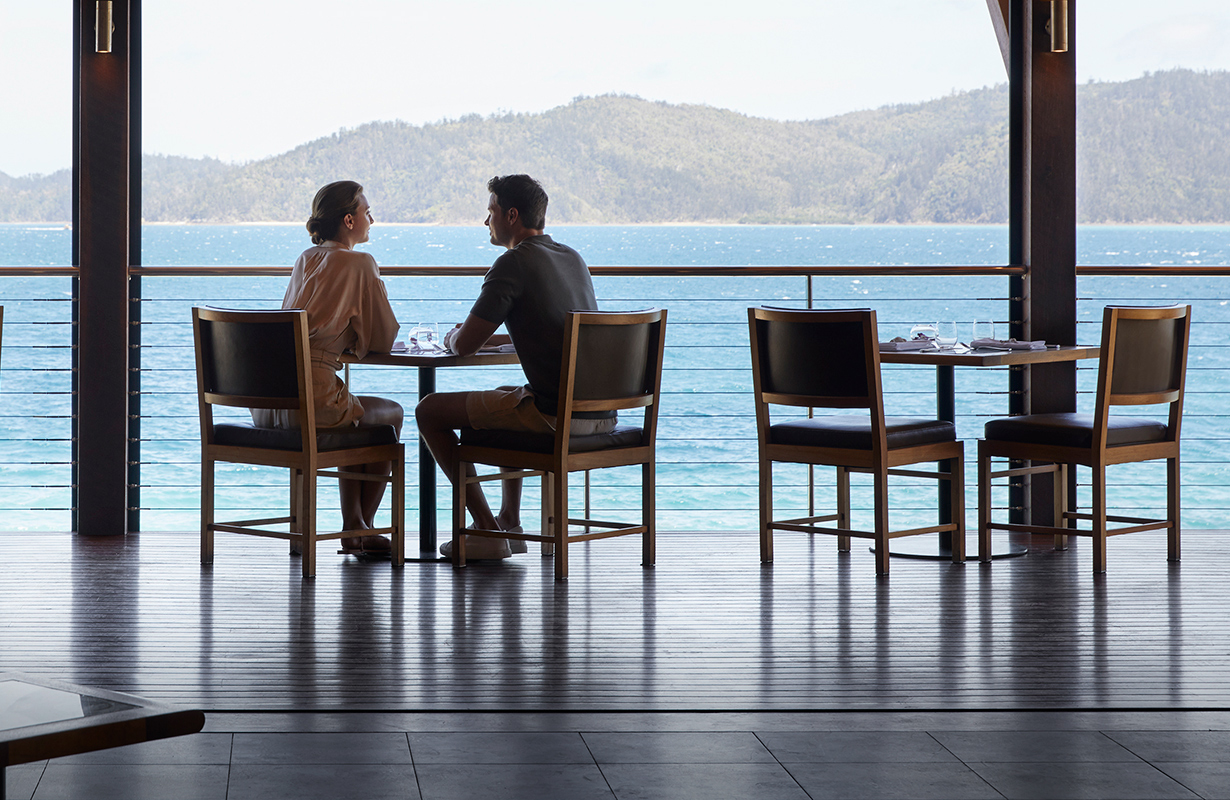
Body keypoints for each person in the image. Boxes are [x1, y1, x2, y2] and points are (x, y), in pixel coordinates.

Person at [416, 174, 615, 559]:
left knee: (429, 410)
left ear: (510, 215)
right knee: (508, 395)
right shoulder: (572, 257)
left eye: (489, 211)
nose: (485, 220)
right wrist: (498, 339)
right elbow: (560, 332)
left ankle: (488, 532)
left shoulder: (513, 263)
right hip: (601, 413)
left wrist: (451, 337)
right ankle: (510, 521)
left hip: (556, 417)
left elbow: (465, 345)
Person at [251, 180, 403, 556]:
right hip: (311, 398)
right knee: (392, 416)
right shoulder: (361, 263)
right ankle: (358, 527)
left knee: (356, 413)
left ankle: (356, 524)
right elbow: (382, 340)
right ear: (349, 220)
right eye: (367, 212)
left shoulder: (306, 259)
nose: (372, 219)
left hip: (271, 399)